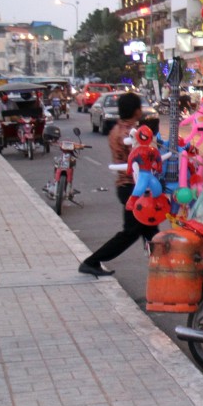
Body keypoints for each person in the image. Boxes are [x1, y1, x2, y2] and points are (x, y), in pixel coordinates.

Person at [79, 93, 160, 276]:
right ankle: (92, 261)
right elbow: (144, 156)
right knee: (132, 232)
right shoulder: (131, 134)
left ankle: (163, 269)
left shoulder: (117, 129)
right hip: (133, 187)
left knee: (150, 228)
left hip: (126, 186)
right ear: (136, 110)